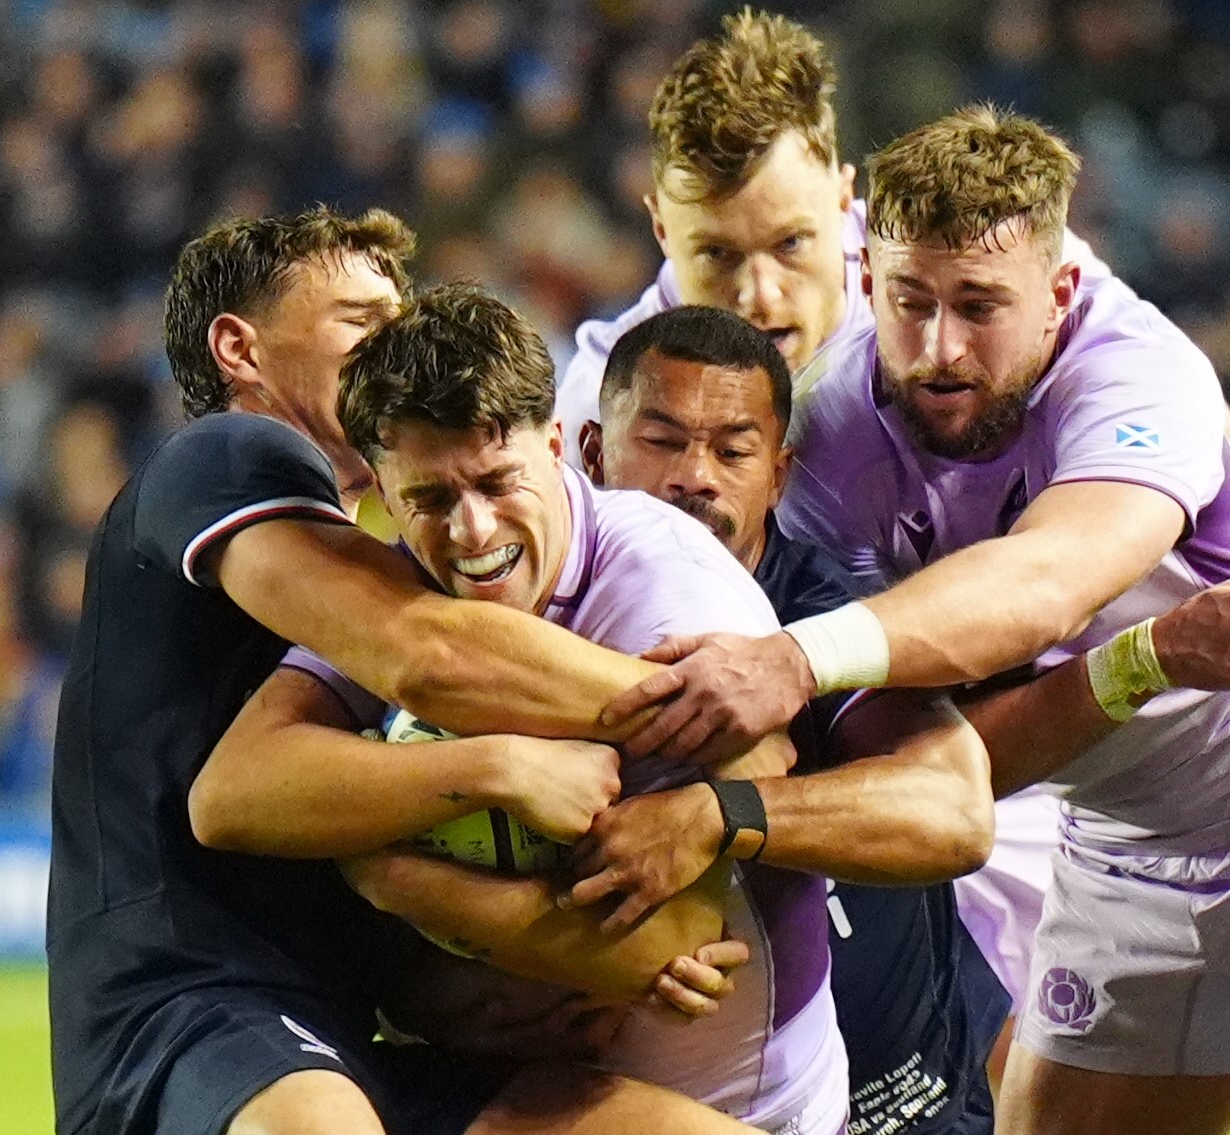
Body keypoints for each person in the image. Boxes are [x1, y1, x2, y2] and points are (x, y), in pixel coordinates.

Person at [652, 107, 1230, 1135]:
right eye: (910, 303)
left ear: (1059, 293)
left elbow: (1041, 586)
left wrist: (795, 658)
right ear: (869, 285)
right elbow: (942, 764)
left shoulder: (1137, 374)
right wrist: (1146, 659)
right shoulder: (828, 437)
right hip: (1117, 847)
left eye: (979, 306)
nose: (940, 349)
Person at [557, 3, 1230, 1026]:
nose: (760, 296)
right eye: (715, 258)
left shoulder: (933, 268)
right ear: (658, 226)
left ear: (845, 207)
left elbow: (1206, 435)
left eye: (793, 244)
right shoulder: (615, 405)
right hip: (798, 776)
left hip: (1021, 755)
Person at [47, 207, 758, 1135]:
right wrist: (721, 703)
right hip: (190, 1006)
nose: (395, 337)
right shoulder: (223, 455)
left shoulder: (375, 546)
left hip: (338, 1024)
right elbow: (430, 658)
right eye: (360, 319)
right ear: (240, 346)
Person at [202, 283, 866, 1135]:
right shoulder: (397, 590)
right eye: (431, 499)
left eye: (498, 480)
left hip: (746, 1112)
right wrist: (491, 769)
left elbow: (677, 950)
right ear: (380, 494)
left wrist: (394, 874)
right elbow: (230, 794)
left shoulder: (668, 596)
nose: (474, 533)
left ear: (557, 447)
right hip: (552, 1098)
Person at [576, 304, 1007, 1133]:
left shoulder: (825, 618)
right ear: (595, 451)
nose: (695, 475)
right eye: (663, 440)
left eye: (733, 451)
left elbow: (955, 810)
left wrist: (721, 818)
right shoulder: (546, 601)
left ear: (778, 474)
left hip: (898, 1112)